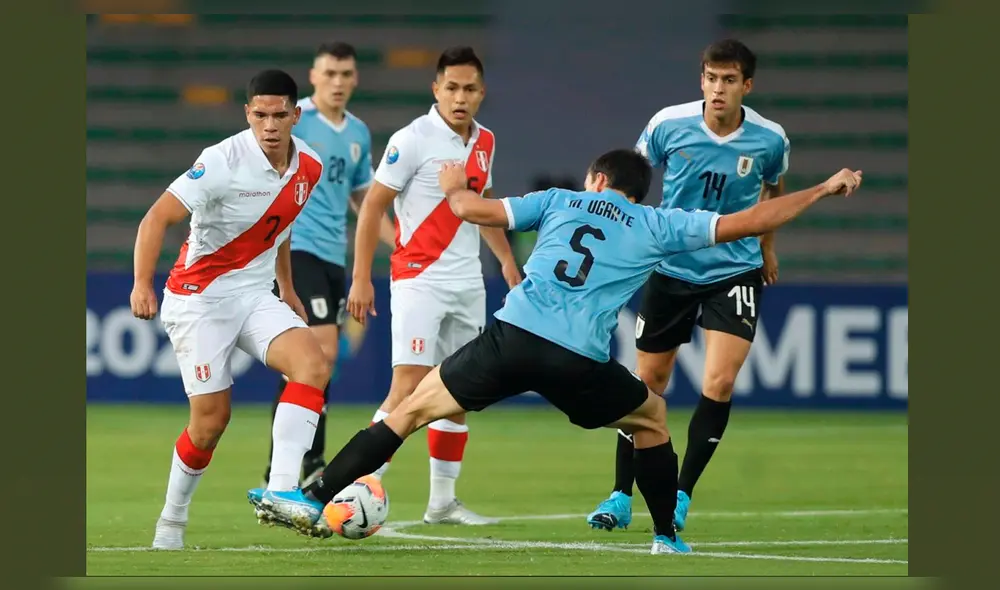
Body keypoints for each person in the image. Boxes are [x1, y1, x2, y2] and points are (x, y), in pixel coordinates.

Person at [250, 148, 863, 554]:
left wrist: (452, 184)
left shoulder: (560, 202)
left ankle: (312, 493)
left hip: (511, 338)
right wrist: (822, 189)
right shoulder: (658, 223)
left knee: (407, 409)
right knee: (650, 417)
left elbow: (468, 209)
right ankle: (666, 536)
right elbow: (754, 221)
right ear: (635, 190)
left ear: (595, 180)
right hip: (575, 360)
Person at [587, 38, 793, 534]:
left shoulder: (769, 140)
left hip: (734, 269)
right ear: (700, 79)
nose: (717, 89)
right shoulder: (668, 125)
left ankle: (679, 494)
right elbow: (631, 179)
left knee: (718, 382)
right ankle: (620, 494)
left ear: (747, 85)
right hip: (672, 268)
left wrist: (766, 246)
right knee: (646, 384)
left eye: (728, 80)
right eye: (710, 78)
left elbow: (774, 191)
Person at [130, 69, 333, 549]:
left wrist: (287, 289)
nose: (269, 125)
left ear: (295, 115)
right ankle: (171, 521)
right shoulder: (220, 161)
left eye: (279, 115)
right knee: (210, 423)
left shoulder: (310, 167)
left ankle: (281, 488)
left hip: (255, 294)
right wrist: (142, 283)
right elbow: (156, 216)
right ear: (248, 114)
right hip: (199, 299)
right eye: (259, 115)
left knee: (312, 363)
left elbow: (280, 228)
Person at [341, 45, 522, 525]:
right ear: (435, 90)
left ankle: (442, 502)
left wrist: (506, 260)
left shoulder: (486, 141)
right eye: (451, 88)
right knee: (406, 386)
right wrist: (362, 278)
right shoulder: (412, 139)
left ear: (482, 93)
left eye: (469, 89)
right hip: (419, 280)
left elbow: (482, 206)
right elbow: (373, 208)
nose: (459, 97)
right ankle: (351, 490)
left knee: (459, 389)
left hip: (468, 281)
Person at [260, 41, 396, 490]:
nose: (338, 82)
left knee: (315, 363)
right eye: (330, 74)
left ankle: (292, 460)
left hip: (334, 257)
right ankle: (304, 461)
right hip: (295, 251)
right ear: (314, 76)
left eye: (345, 74)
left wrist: (401, 243)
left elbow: (363, 198)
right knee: (319, 356)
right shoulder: (291, 120)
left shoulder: (357, 132)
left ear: (355, 79)